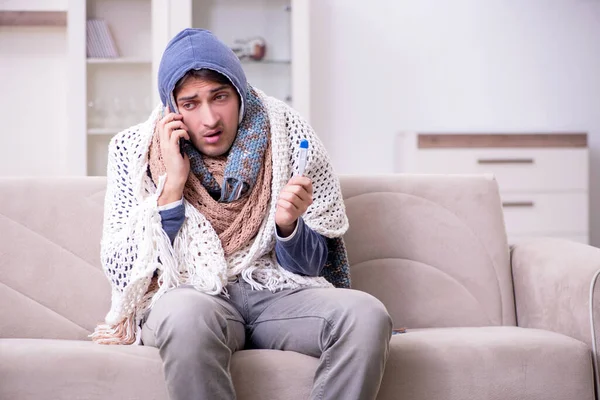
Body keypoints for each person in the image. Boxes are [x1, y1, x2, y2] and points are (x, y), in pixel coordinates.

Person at [92, 28, 392, 400]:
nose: (209, 119)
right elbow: (125, 266)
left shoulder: (288, 134)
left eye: (220, 97)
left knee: (366, 314)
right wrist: (171, 187)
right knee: (185, 317)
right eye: (190, 103)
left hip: (275, 293)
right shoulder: (132, 151)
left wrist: (288, 227)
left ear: (240, 92)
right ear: (172, 108)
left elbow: (315, 265)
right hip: (192, 294)